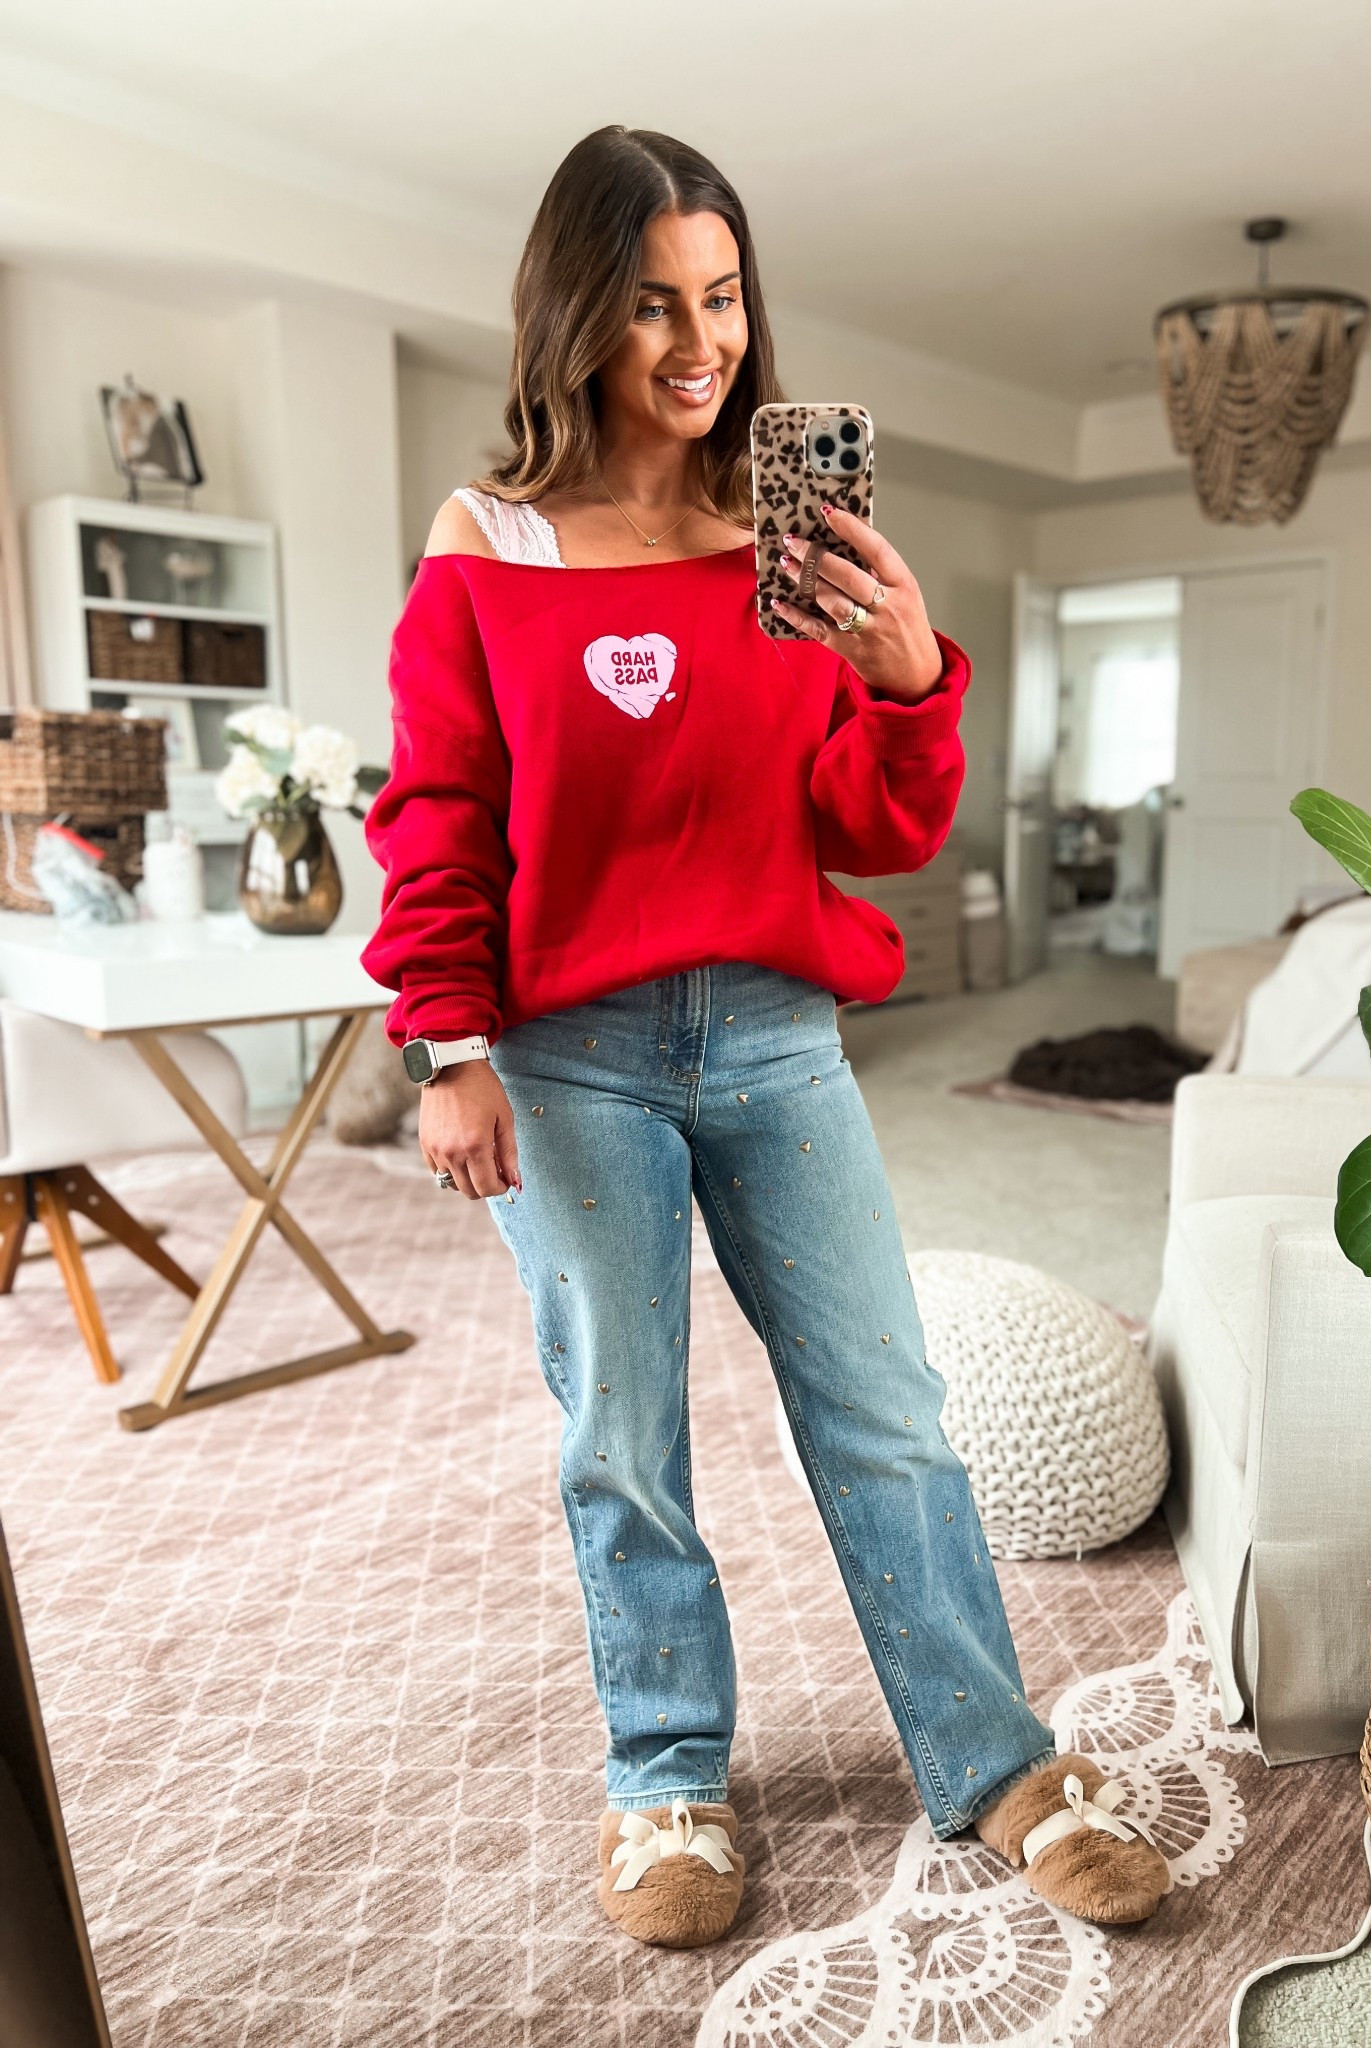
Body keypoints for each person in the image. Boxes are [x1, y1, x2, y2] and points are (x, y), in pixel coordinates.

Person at [363, 124, 1169, 1949]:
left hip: (779, 1036)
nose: (697, 342)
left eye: (721, 298)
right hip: (568, 1058)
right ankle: (664, 1780)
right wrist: (446, 1039)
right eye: (652, 304)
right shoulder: (487, 541)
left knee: (887, 1410)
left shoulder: (781, 539)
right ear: (576, 313)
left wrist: (904, 688)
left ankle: (997, 1760)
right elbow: (440, 807)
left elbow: (871, 826)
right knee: (625, 1434)